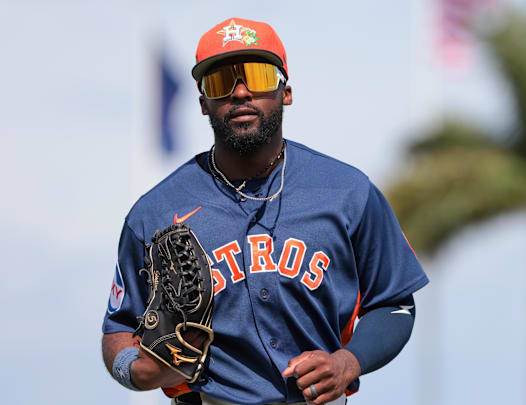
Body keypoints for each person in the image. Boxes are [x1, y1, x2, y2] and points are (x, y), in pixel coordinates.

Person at [101, 17, 429, 405]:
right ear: (204, 101)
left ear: (285, 92)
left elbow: (394, 304)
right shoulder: (155, 212)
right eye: (221, 81)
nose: (240, 93)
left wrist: (347, 362)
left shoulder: (347, 192)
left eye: (256, 75)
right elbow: (118, 328)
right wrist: (134, 371)